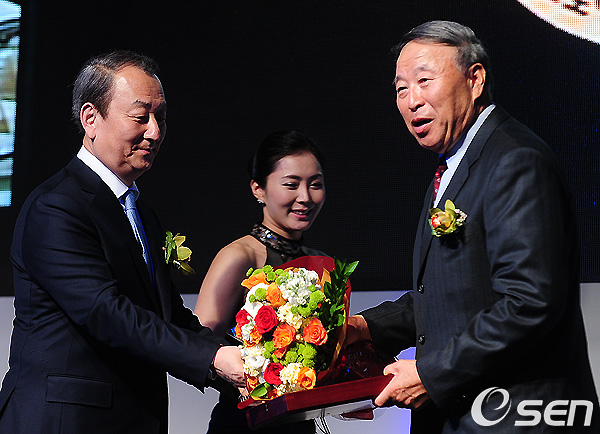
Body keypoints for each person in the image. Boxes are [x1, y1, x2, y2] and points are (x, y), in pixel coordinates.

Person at [346, 21, 599, 432]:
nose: (412, 100)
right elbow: (452, 298)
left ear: (475, 79)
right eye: (401, 89)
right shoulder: (455, 164)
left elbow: (530, 303)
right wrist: (363, 327)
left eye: (424, 81)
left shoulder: (514, 160)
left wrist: (431, 374)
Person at [0, 50, 244, 434]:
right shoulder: (56, 207)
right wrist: (213, 359)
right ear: (91, 118)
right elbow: (108, 313)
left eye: (161, 117)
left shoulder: (140, 213)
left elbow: (169, 317)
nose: (155, 132)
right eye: (140, 117)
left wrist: (259, 368)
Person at [194, 129, 325, 433]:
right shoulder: (240, 256)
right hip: (244, 424)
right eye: (291, 184)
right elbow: (198, 342)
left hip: (300, 425)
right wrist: (250, 380)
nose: (305, 197)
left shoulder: (320, 262)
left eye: (315, 184)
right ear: (258, 189)